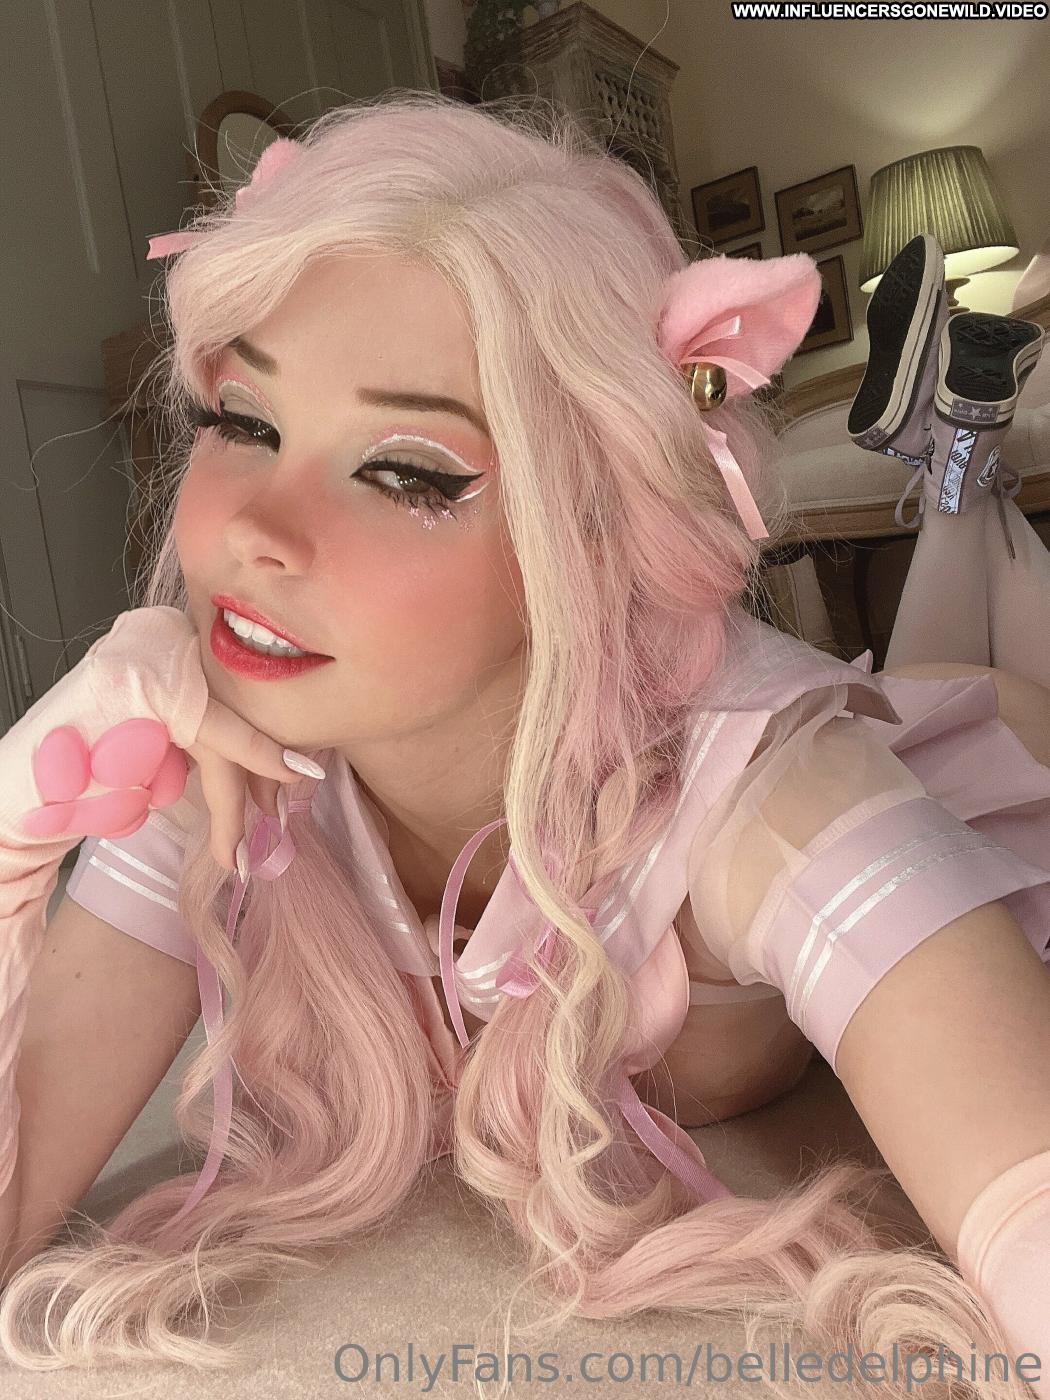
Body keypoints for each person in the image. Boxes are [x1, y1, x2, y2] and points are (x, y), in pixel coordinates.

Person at [0, 91, 1048, 1396]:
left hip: (962, 742)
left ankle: (960, 459)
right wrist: (10, 842)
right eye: (243, 424)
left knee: (986, 649)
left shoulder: (772, 799)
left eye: (405, 472)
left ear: (591, 532)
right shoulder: (213, 778)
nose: (259, 532)